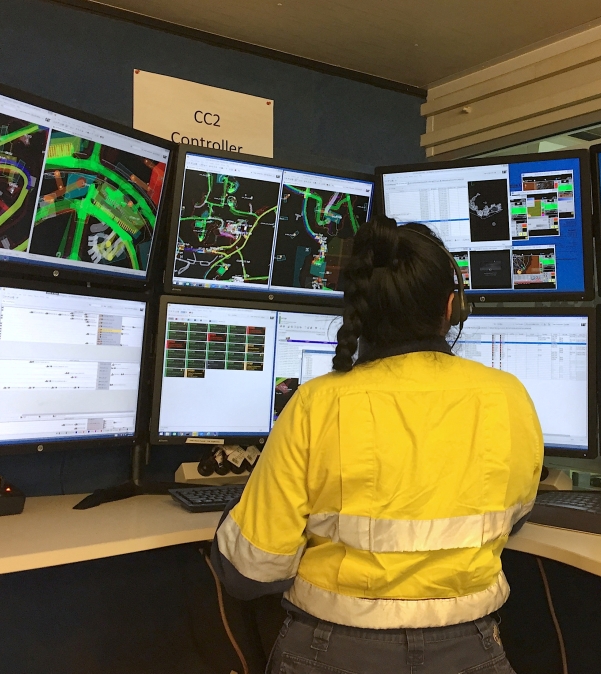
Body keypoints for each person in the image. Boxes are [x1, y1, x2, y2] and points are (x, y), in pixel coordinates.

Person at [210, 215, 543, 673]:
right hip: (471, 652)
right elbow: (516, 518)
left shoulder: (316, 403)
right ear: (451, 308)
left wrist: (241, 511)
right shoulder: (509, 397)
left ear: (359, 310)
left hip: (330, 652)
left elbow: (252, 569)